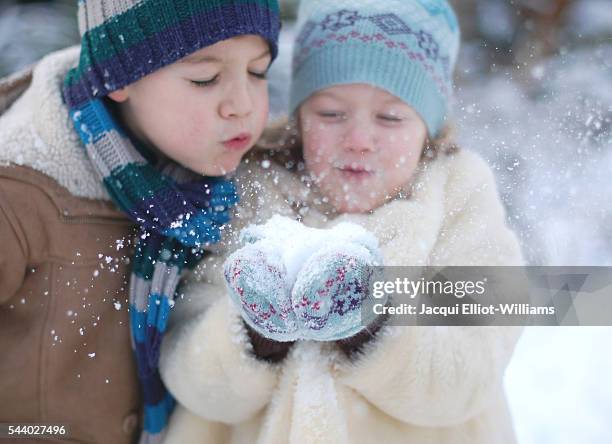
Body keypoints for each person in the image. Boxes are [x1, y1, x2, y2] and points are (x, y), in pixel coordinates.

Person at [159, 1, 525, 443]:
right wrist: (254, 333)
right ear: (298, 116)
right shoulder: (251, 189)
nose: (358, 140)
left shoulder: (458, 194)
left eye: (390, 117)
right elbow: (189, 374)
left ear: (428, 127)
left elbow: (472, 369)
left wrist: (370, 328)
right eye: (331, 113)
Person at [0, 1, 280, 443]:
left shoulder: (221, 183)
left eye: (259, 71)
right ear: (120, 75)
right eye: (204, 78)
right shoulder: (18, 193)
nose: (242, 105)